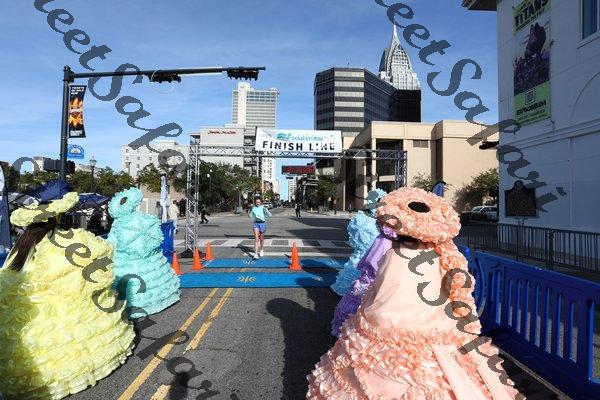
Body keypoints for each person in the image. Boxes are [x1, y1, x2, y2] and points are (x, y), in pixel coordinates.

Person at [307, 187, 521, 399]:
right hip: (442, 327)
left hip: (392, 327)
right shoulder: (442, 255)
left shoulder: (395, 255)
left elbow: (382, 298)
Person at [0, 191, 135, 399]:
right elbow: (99, 254)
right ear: (55, 218)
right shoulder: (64, 240)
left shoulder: (21, 245)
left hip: (28, 307)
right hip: (56, 305)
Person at [108, 188, 181, 319]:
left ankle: (128, 304)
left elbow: (111, 242)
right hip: (147, 256)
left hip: (125, 258)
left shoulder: (118, 223)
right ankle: (160, 299)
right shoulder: (142, 218)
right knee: (153, 276)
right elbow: (153, 235)